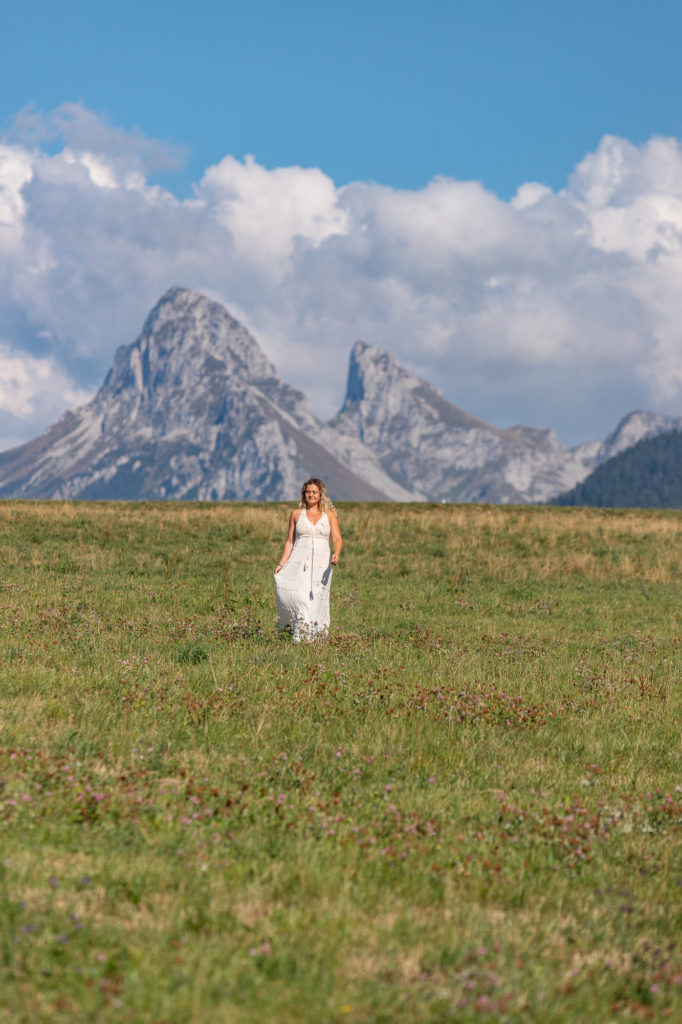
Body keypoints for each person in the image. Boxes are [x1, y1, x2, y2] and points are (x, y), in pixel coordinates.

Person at [274, 478, 342, 640]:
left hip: (321, 564)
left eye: (314, 492)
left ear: (320, 494)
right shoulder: (296, 514)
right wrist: (281, 563)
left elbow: (337, 537)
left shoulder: (329, 515)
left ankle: (315, 636)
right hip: (299, 562)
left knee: (316, 599)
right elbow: (290, 541)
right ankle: (299, 636)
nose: (311, 495)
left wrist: (337, 552)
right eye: (308, 492)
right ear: (304, 494)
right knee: (301, 598)